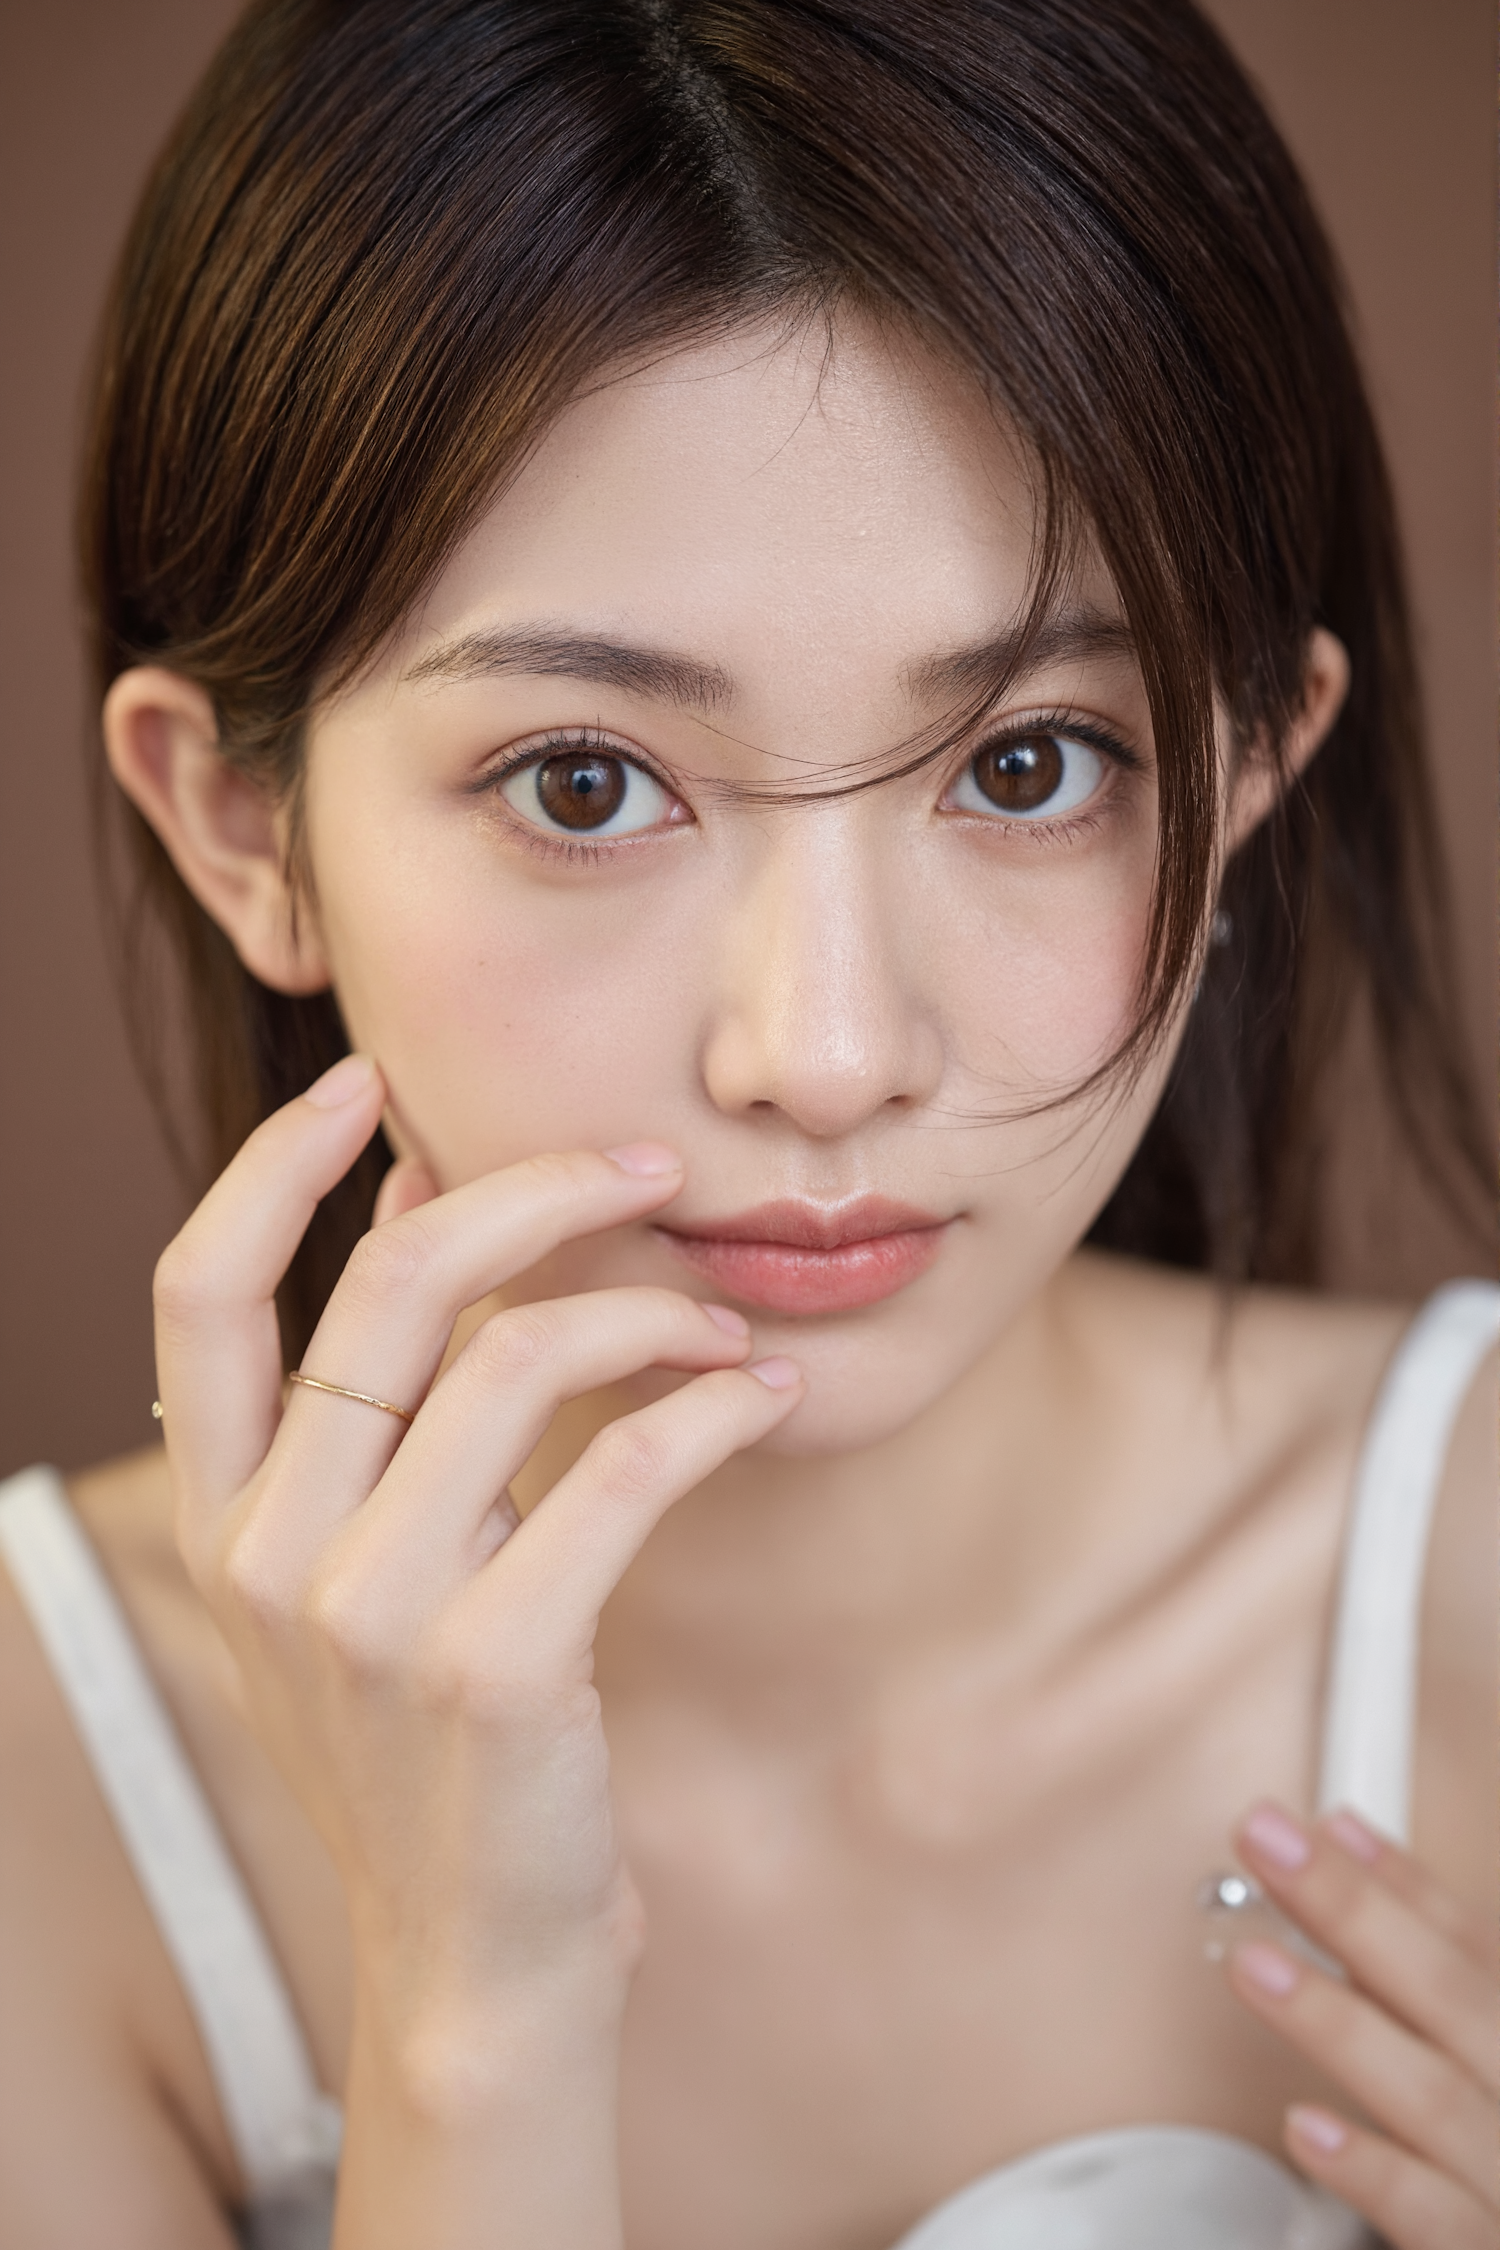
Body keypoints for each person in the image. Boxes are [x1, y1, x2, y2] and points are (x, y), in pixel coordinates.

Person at [0, 1, 1493, 2245]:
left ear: (1253, 762)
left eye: (1026, 766)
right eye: (585, 783)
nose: (822, 1049)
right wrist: (471, 2021)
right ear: (247, 829)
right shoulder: (49, 1791)